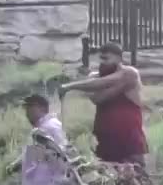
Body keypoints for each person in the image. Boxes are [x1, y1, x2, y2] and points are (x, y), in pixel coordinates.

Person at [62, 45, 148, 176]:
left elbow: (108, 82)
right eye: (100, 59)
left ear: (119, 59)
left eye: (106, 59)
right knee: (108, 184)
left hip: (130, 142)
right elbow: (97, 98)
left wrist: (69, 86)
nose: (102, 63)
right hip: (105, 142)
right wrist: (115, 87)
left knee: (137, 182)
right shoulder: (94, 77)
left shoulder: (131, 73)